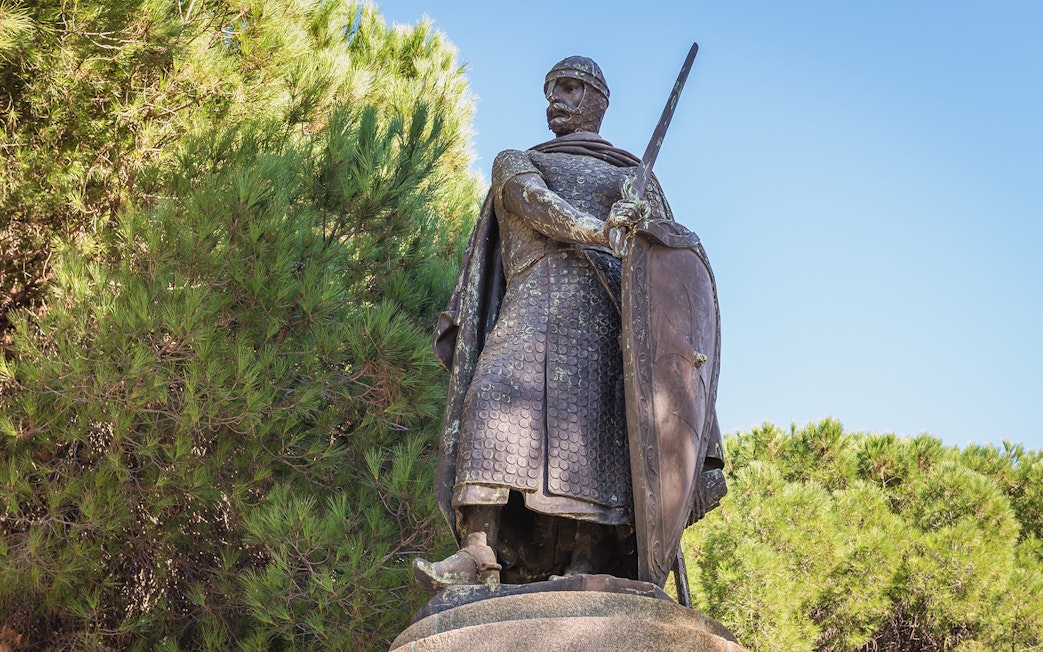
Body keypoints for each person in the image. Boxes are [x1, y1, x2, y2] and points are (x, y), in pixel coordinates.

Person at [415, 56, 723, 591]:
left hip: (605, 321)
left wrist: (641, 225)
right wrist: (602, 229)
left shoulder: (635, 177)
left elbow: (668, 263)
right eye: (550, 89)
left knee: (599, 436)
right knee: (491, 409)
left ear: (598, 99)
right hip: (532, 307)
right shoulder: (517, 160)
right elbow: (533, 203)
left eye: (569, 88)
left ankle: (590, 559)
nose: (554, 99)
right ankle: (477, 551)